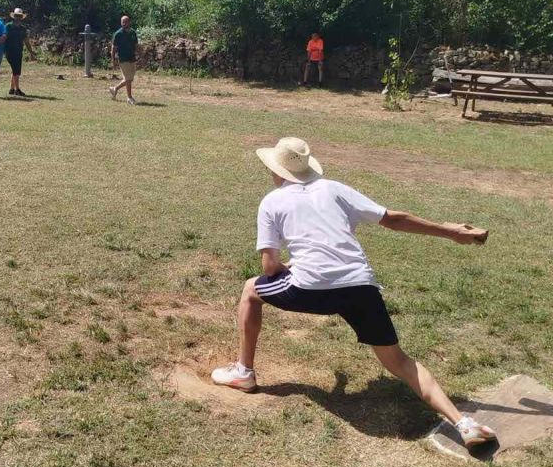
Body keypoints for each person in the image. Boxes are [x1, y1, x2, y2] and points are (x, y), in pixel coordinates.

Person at [211, 137, 498, 450]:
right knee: (400, 362)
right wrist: (451, 231)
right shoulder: (334, 189)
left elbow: (269, 268)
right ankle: (464, 423)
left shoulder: (272, 201)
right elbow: (394, 219)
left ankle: (244, 372)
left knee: (250, 289)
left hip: (309, 289)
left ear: (276, 171)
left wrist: (289, 266)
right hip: (360, 287)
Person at [4, 8, 35, 97]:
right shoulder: (8, 26)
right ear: (14, 16)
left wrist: (31, 52)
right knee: (16, 70)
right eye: (16, 16)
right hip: (9, 51)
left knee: (15, 70)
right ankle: (17, 89)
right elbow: (3, 37)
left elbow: (26, 41)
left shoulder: (23, 29)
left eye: (19, 16)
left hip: (19, 51)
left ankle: (12, 89)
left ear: (21, 17)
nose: (18, 18)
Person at [109, 15, 139, 105]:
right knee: (128, 78)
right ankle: (129, 98)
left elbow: (136, 45)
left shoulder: (133, 32)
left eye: (126, 22)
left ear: (129, 22)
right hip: (123, 59)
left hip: (132, 58)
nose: (124, 24)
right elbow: (113, 48)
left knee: (129, 79)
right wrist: (113, 60)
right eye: (123, 22)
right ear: (121, 23)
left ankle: (115, 89)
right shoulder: (118, 34)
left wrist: (139, 55)